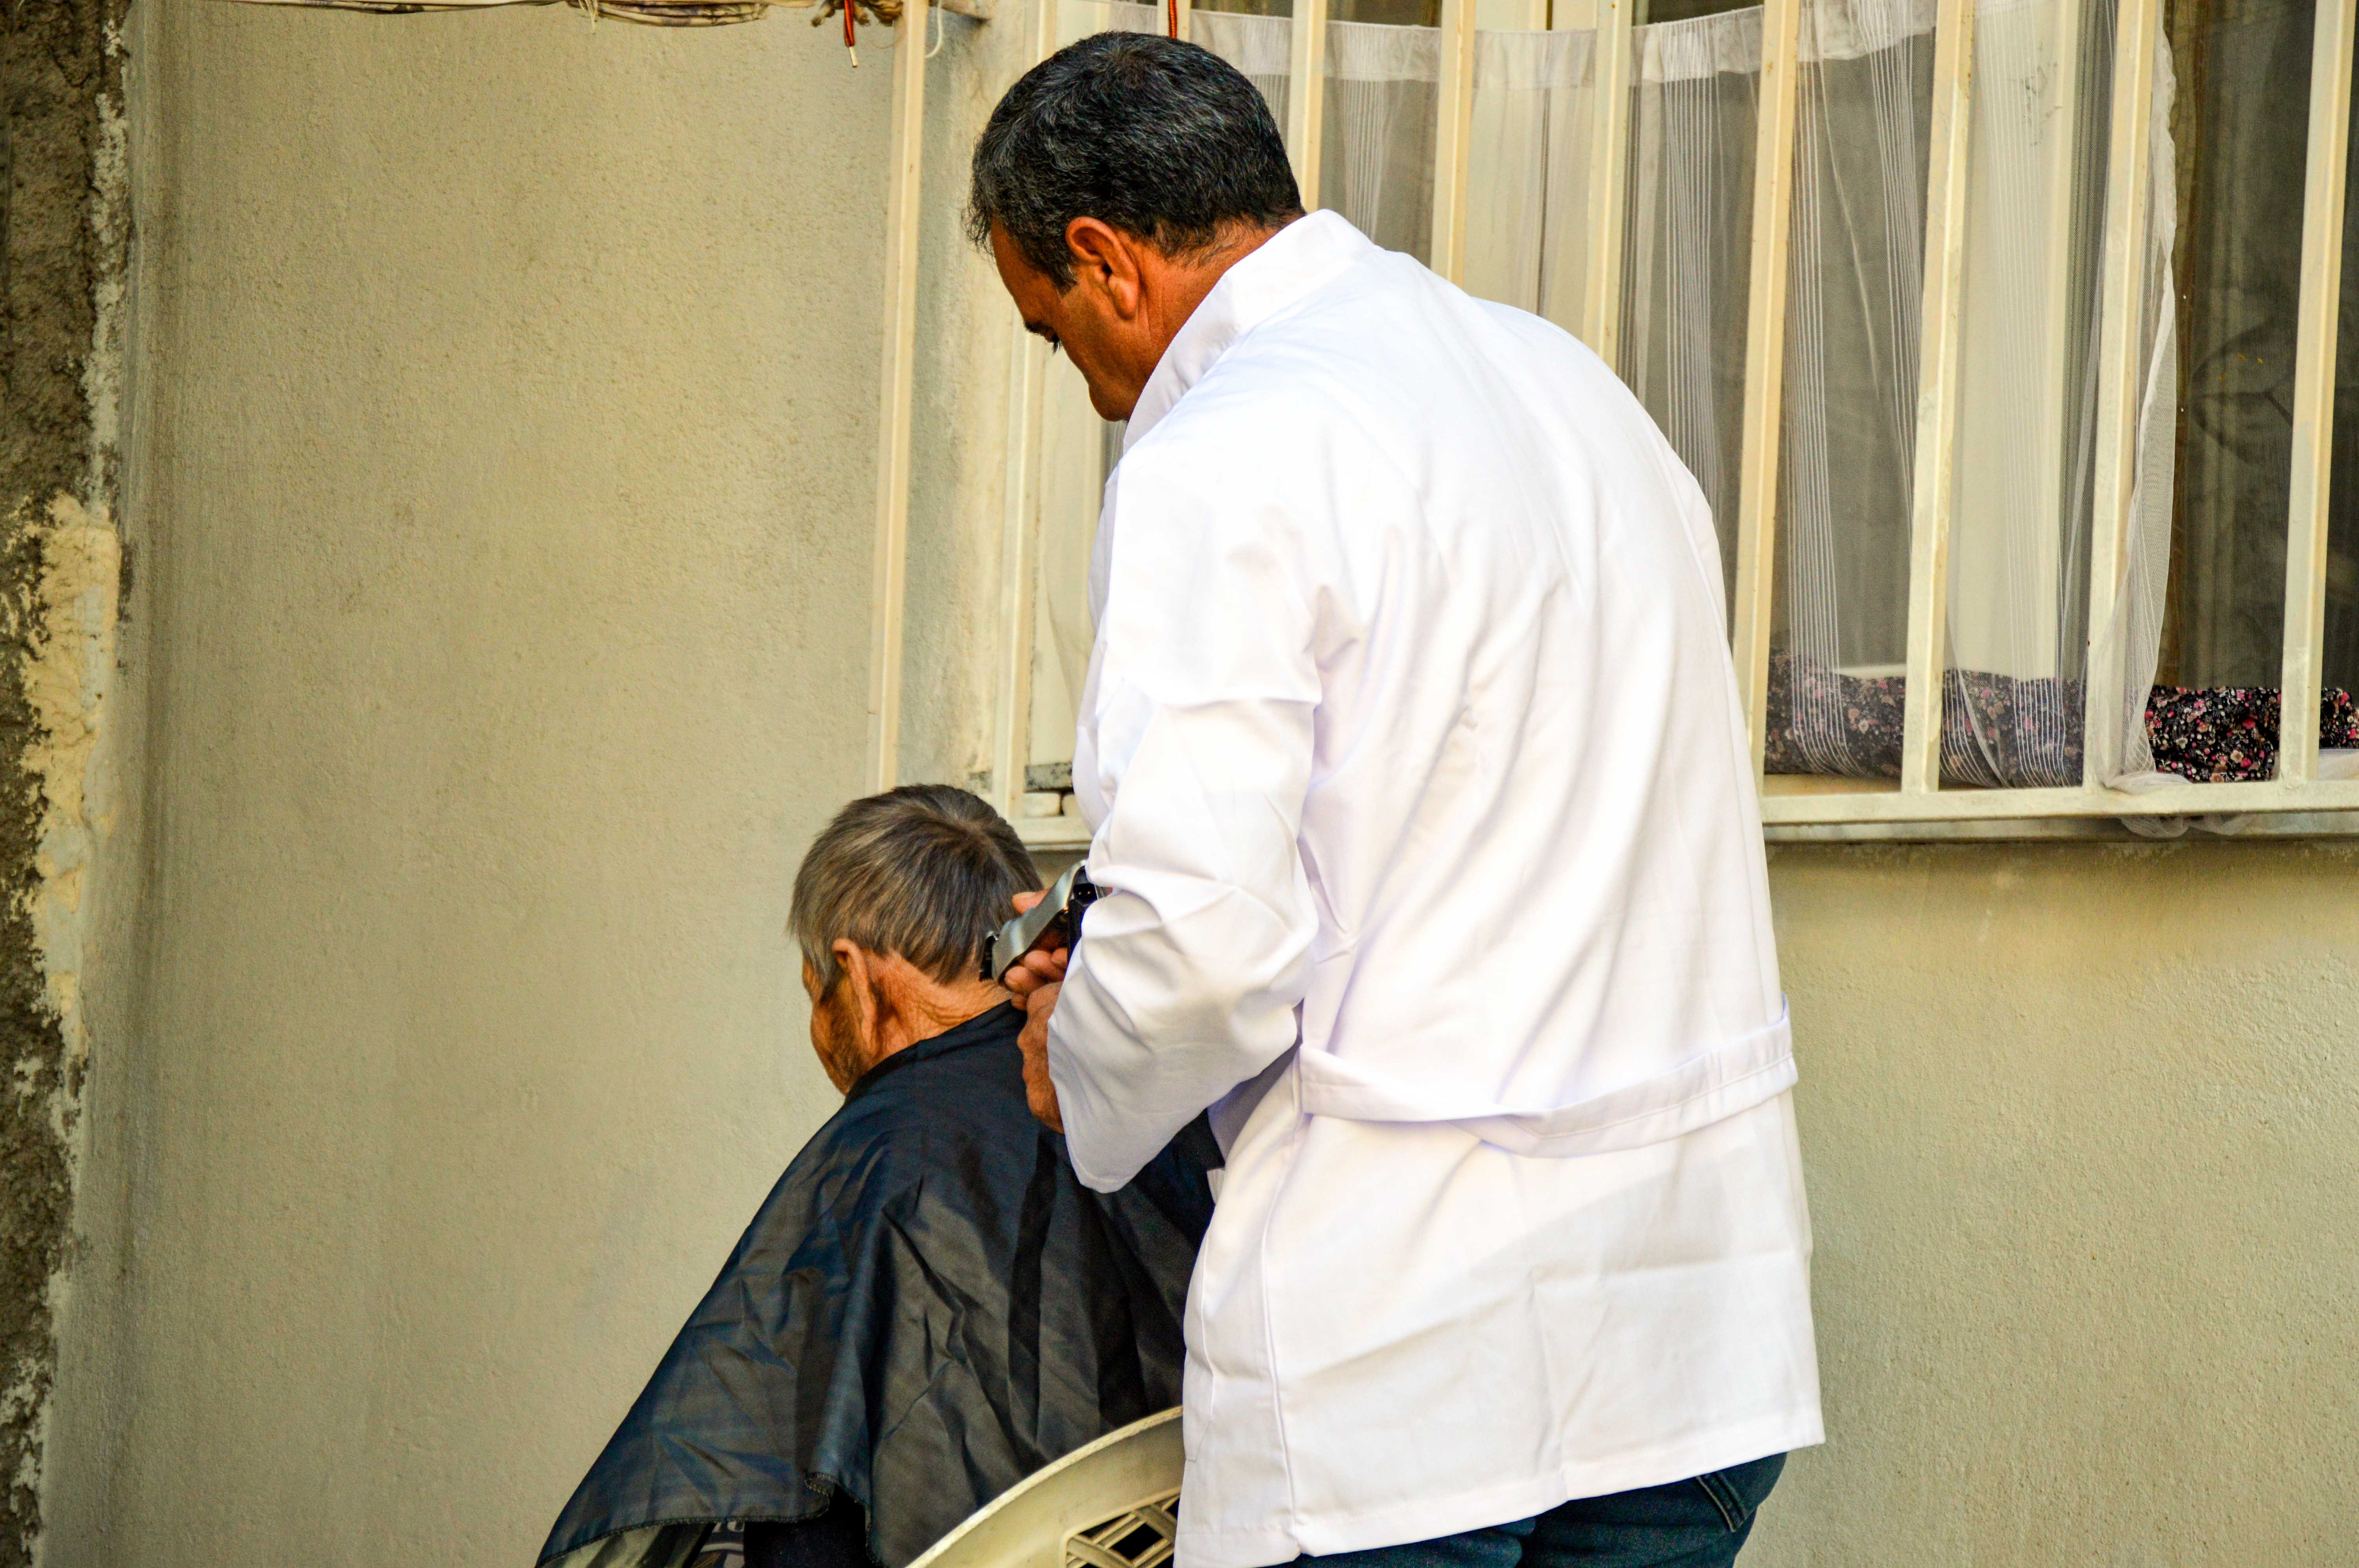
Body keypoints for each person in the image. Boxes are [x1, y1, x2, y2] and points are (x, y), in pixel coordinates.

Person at [967, 33, 1822, 1568]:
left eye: (1052, 331)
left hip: (1407, 1364)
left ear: (1103, 261)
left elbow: (1202, 954)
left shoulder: (1224, 453)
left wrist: (1076, 1050)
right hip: (1686, 1318)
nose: (1088, 388)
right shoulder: (1574, 390)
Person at [538, 786, 1219, 1568]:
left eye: (814, 995)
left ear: (854, 979)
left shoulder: (881, 1156)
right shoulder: (1152, 1095)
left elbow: (736, 1450)